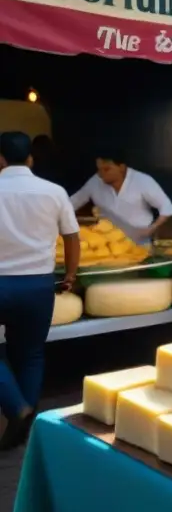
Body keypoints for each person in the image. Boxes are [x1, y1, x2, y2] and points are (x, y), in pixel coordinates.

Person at [0, 131, 80, 450]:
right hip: (38, 285)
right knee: (30, 353)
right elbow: (72, 237)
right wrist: (71, 275)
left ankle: (17, 409)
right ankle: (27, 421)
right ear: (30, 158)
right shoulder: (54, 192)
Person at [71, 149, 172, 244]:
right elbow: (74, 202)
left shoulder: (142, 181)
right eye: (99, 169)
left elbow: (167, 207)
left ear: (121, 167)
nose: (101, 174)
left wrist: (152, 228)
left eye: (106, 169)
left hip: (139, 241)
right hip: (108, 240)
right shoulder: (95, 182)